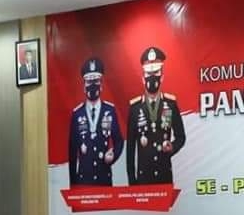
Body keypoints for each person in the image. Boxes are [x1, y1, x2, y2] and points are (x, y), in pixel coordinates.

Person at [126, 46, 186, 185]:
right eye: (149, 74)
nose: (152, 77)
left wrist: (172, 147)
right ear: (143, 79)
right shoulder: (135, 108)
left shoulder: (170, 104)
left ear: (162, 77)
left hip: (164, 174)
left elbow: (181, 137)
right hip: (143, 177)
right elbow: (130, 148)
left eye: (156, 73)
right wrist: (132, 182)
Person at [69, 57, 124, 185]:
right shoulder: (77, 114)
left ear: (101, 84)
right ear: (84, 86)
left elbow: (119, 141)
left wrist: (113, 155)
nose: (92, 85)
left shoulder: (109, 110)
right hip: (84, 181)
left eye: (96, 81)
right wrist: (73, 185)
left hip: (104, 178)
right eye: (89, 81)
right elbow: (72, 152)